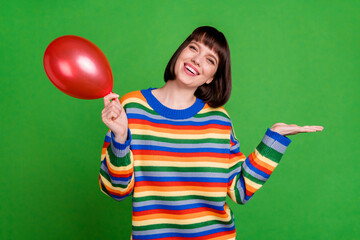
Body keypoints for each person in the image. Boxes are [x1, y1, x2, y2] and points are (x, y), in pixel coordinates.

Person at [99, 26, 324, 240]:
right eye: (194, 48)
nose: (197, 59)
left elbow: (239, 190)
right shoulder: (131, 107)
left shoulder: (219, 120)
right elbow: (116, 190)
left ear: (211, 77)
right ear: (180, 53)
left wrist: (273, 141)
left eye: (210, 60)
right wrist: (119, 138)